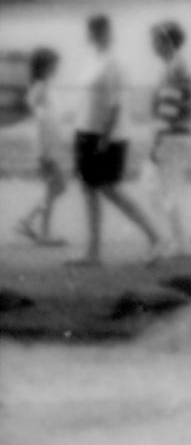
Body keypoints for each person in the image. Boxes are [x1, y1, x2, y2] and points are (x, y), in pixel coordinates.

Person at [72, 15, 160, 261]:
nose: (92, 36)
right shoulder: (92, 59)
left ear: (105, 33)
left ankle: (154, 236)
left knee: (109, 189)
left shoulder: (115, 63)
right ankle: (93, 252)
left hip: (106, 135)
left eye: (97, 31)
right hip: (85, 129)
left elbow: (115, 105)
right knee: (88, 190)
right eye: (92, 31)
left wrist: (105, 136)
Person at [141, 21, 191, 250]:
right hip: (178, 134)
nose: (151, 45)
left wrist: (157, 140)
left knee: (160, 187)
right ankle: (177, 241)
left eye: (154, 40)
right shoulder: (175, 66)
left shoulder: (173, 69)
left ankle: (176, 242)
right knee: (164, 188)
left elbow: (169, 108)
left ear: (165, 41)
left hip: (172, 136)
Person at [19, 48, 71, 246]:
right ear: (46, 67)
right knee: (57, 187)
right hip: (45, 148)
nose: (58, 68)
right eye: (55, 65)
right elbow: (33, 105)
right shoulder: (41, 86)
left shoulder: (44, 86)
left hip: (48, 147)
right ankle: (41, 231)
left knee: (55, 188)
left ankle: (30, 222)